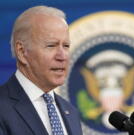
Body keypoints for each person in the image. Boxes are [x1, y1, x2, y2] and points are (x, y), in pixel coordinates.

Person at [0, 6, 83, 135]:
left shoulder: (71, 112)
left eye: (66, 46)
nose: (62, 56)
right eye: (51, 45)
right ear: (22, 52)